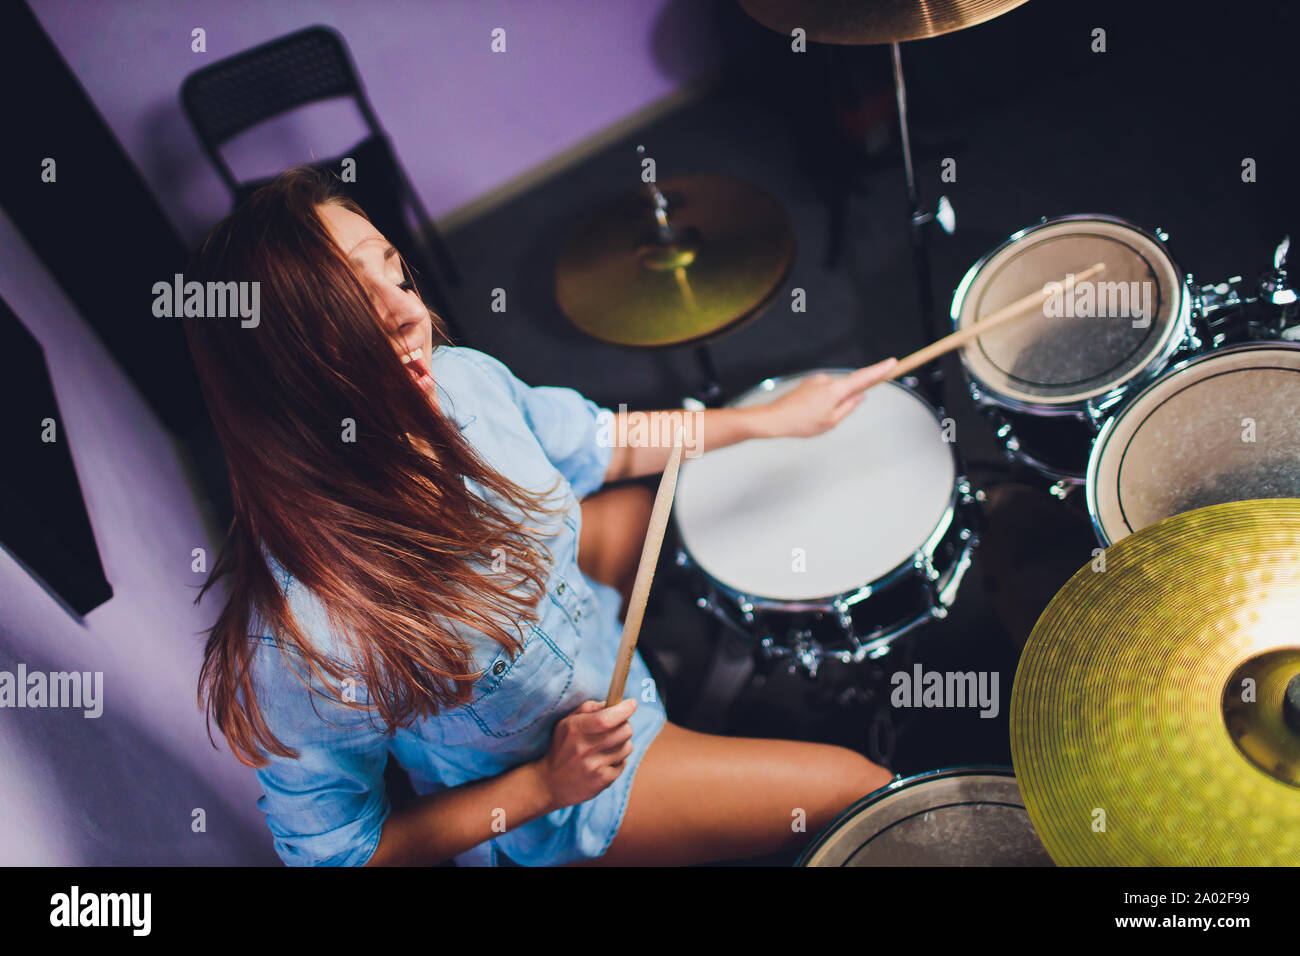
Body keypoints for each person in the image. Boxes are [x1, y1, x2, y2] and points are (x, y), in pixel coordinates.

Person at [186, 167, 898, 867]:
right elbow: (341, 858)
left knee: (636, 503)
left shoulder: (460, 380)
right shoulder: (302, 643)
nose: (406, 313)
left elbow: (602, 446)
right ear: (285, 377)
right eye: (349, 305)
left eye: (394, 276)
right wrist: (540, 786)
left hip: (583, 660)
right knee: (865, 795)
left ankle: (650, 661)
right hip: (565, 803)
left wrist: (767, 421)